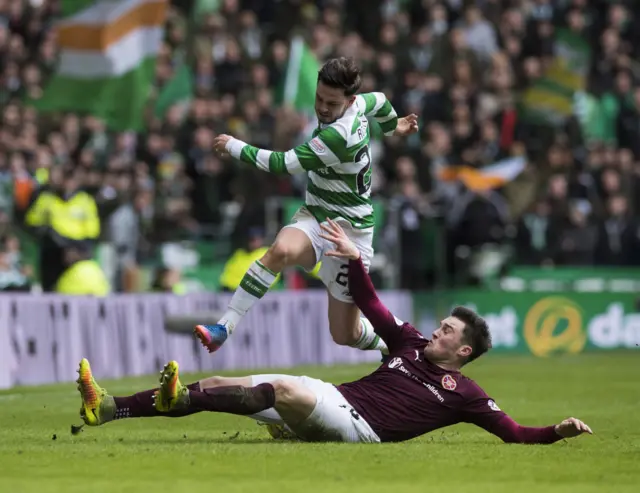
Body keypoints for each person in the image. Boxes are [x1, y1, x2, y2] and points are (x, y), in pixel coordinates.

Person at [76, 223, 592, 444]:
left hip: (358, 428)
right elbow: (370, 303)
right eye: (441, 325)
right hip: (335, 399)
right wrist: (352, 258)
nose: (436, 332)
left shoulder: (467, 395)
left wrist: (557, 432)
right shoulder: (409, 342)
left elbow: (516, 434)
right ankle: (109, 407)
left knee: (282, 390)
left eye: (447, 332)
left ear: (464, 350)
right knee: (216, 383)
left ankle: (176, 399)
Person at [194, 57, 419, 357]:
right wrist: (394, 127)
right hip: (317, 216)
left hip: (349, 235)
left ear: (348, 101)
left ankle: (396, 342)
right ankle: (224, 326)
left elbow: (284, 164)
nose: (323, 108)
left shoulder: (339, 135)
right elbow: (379, 100)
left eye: (331, 103)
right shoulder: (357, 104)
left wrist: (235, 146)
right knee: (280, 251)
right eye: (319, 98)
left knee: (344, 334)